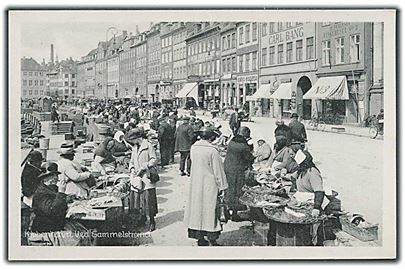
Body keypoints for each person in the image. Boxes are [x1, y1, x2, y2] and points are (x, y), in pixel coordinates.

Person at [184, 127, 228, 246]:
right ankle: (212, 238)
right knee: (210, 210)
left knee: (197, 209)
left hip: (196, 182)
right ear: (210, 137)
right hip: (210, 184)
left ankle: (200, 238)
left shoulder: (194, 148)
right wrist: (222, 186)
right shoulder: (213, 150)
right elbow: (217, 170)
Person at [30, 162, 92, 246]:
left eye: (56, 175)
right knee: (78, 240)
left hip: (57, 224)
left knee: (85, 232)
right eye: (52, 176)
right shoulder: (41, 193)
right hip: (47, 231)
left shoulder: (50, 188)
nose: (55, 178)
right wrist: (61, 193)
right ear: (44, 178)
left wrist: (69, 198)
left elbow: (57, 200)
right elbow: (54, 211)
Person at [126, 128, 159, 232]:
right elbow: (131, 161)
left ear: (137, 138)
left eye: (132, 139)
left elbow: (154, 159)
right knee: (138, 201)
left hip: (146, 177)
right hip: (137, 177)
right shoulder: (134, 148)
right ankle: (142, 219)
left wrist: (145, 166)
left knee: (149, 200)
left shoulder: (148, 146)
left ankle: (152, 221)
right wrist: (131, 168)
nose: (131, 142)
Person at [224, 129, 255, 221]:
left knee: (228, 190)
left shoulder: (232, 142)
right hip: (237, 171)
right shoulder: (243, 146)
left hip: (227, 168)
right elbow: (249, 158)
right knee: (237, 191)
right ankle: (234, 214)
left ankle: (226, 211)